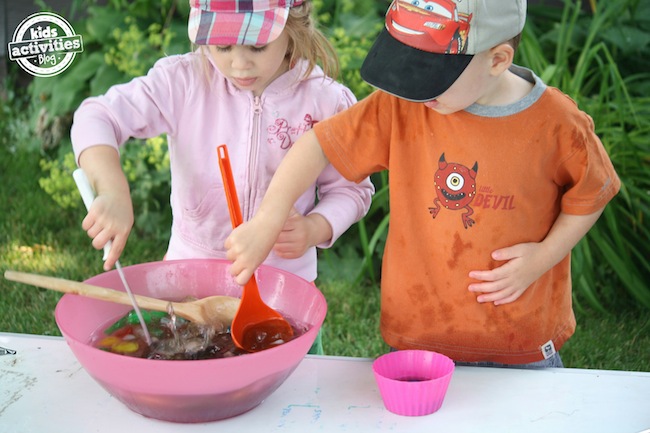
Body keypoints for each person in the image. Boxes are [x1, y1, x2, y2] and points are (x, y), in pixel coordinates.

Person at [224, 0, 621, 367]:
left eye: (430, 73)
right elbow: (318, 146)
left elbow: (592, 193)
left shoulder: (557, 125)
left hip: (520, 341)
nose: (412, 86)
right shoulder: (403, 106)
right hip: (421, 336)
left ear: (498, 59)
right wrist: (267, 219)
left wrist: (543, 256)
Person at [70, 0, 375, 354]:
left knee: (293, 397)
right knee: (192, 390)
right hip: (190, 290)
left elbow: (353, 189)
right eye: (222, 45)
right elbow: (98, 116)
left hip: (282, 297)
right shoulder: (183, 82)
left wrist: (315, 228)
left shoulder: (325, 101)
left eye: (257, 46)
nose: (239, 63)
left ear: (292, 31)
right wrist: (111, 190)